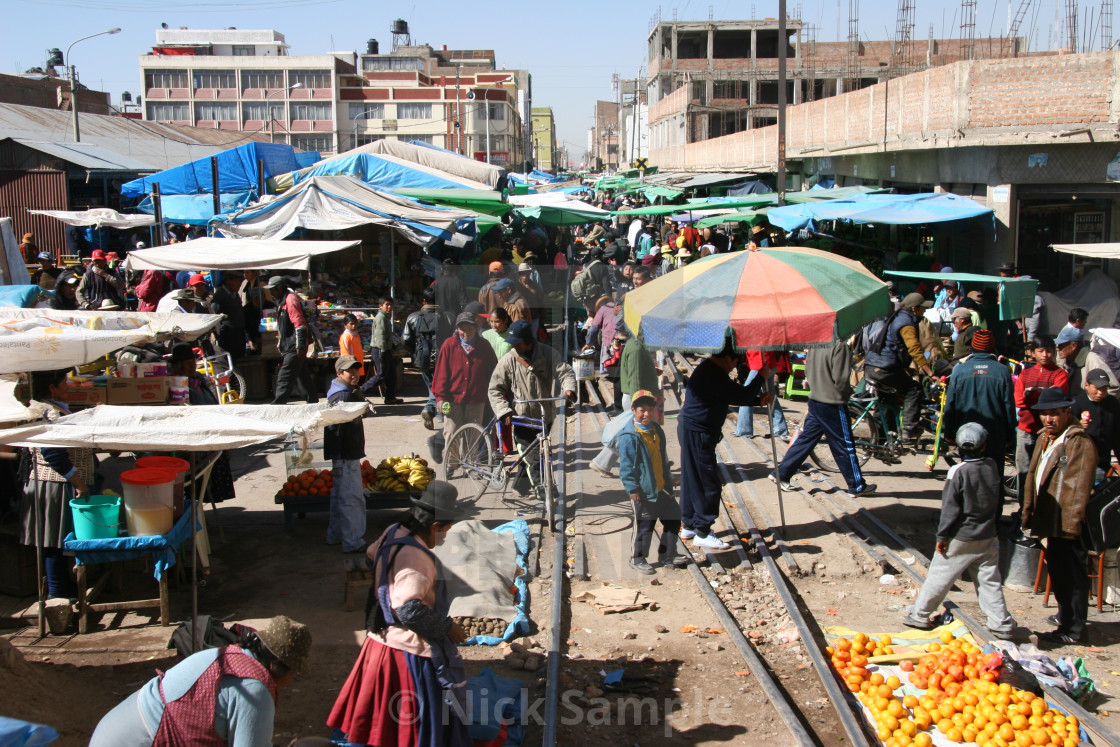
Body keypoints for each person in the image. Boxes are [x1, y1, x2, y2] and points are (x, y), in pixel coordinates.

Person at [328, 483, 471, 747]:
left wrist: (387, 578)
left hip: (377, 640)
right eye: (445, 531)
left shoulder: (393, 531)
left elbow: (372, 555)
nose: (444, 537)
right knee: (414, 720)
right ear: (436, 525)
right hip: (405, 653)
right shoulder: (416, 559)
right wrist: (446, 627)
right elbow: (410, 611)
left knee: (379, 721)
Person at [90, 616, 310, 746]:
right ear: (276, 666)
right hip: (139, 739)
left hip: (114, 728)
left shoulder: (230, 655)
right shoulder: (254, 690)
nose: (291, 681)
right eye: (293, 674)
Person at [903, 423, 1016, 640]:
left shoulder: (958, 472)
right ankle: (1001, 622)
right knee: (989, 581)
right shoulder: (992, 466)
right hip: (987, 536)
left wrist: (942, 536)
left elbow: (950, 508)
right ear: (984, 446)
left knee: (939, 576)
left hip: (961, 537)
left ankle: (920, 614)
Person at [678, 339, 771, 549]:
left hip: (692, 429)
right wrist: (761, 378)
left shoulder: (710, 370)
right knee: (707, 482)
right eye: (736, 361)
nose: (735, 366)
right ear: (728, 357)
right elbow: (741, 394)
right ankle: (703, 530)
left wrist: (758, 401)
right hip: (698, 432)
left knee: (692, 478)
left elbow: (730, 395)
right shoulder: (711, 373)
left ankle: (690, 524)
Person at [1022, 387, 1098, 645]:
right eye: (1045, 414)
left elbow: (1078, 488)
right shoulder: (1046, 437)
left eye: (1055, 413)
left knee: (1072, 577)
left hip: (1066, 522)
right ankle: (1066, 620)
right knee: (1061, 575)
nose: (1049, 419)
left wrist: (1071, 525)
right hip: (1051, 520)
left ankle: (1073, 630)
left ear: (1067, 412)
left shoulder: (1079, 442)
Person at [20, 369, 94, 599]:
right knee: (54, 541)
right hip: (52, 483)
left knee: (59, 540)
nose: (70, 385)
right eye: (65, 382)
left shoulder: (52, 408)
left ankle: (63, 589)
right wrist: (78, 481)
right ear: (52, 388)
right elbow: (52, 453)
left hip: (57, 482)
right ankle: (57, 595)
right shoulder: (48, 412)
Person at [773, 339, 875, 497]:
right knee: (844, 444)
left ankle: (782, 474)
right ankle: (856, 485)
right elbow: (841, 379)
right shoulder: (839, 346)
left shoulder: (815, 342)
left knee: (806, 439)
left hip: (815, 399)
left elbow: (808, 370)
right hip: (832, 402)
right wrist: (847, 394)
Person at [488, 321, 576, 499]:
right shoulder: (509, 360)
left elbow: (565, 372)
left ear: (529, 340)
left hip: (545, 416)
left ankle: (519, 486)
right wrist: (504, 411)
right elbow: (494, 389)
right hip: (521, 417)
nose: (514, 345)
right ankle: (543, 490)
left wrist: (569, 390)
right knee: (534, 457)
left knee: (531, 454)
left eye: (518, 342)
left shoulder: (548, 353)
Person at [617, 389, 689, 574]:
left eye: (650, 410)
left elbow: (662, 458)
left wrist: (668, 478)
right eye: (642, 410)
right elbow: (626, 466)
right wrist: (632, 488)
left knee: (673, 520)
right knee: (645, 527)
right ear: (633, 410)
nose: (647, 414)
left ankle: (667, 555)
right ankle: (637, 558)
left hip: (662, 488)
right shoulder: (629, 436)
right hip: (644, 491)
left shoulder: (657, 430)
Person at [863, 292, 934, 448]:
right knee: (914, 389)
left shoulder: (898, 316)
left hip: (874, 366)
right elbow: (914, 348)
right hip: (884, 368)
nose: (925, 312)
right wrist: (929, 372)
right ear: (915, 309)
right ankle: (909, 430)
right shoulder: (906, 323)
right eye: (923, 309)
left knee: (888, 400)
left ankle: (882, 442)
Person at [325, 356, 379, 553]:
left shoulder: (344, 392)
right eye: (350, 371)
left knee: (340, 496)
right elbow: (335, 429)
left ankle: (336, 535)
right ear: (339, 373)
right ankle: (353, 542)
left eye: (357, 369)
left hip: (344, 454)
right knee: (352, 499)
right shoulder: (343, 396)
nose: (355, 374)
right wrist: (338, 459)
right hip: (345, 455)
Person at [429, 312, 499, 464]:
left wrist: (494, 394)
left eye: (469, 328)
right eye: (462, 328)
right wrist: (440, 397)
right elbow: (441, 373)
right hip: (453, 399)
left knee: (472, 434)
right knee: (451, 432)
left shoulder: (484, 346)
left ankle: (470, 464)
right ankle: (451, 464)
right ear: (457, 329)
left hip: (476, 399)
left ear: (476, 329)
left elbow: (493, 372)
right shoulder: (449, 345)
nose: (466, 332)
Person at [942, 329, 1017, 465]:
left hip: (966, 434)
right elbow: (1009, 406)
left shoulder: (959, 370)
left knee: (969, 474)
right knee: (994, 477)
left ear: (972, 348)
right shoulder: (1003, 371)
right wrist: (1010, 435)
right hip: (995, 435)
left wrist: (949, 433)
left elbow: (950, 405)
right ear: (993, 349)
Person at [1014, 335, 1069, 508]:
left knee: (1047, 472)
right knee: (1024, 471)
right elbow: (1019, 401)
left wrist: (1033, 395)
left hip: (1050, 431)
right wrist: (1044, 394)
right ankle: (1024, 508)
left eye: (1049, 351)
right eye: (1041, 351)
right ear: (1033, 353)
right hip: (1026, 428)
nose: (1045, 355)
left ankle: (1044, 509)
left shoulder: (1060, 374)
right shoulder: (1025, 373)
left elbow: (1058, 397)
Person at [402, 288, 449, 428]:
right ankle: (435, 410)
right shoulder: (447, 317)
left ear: (423, 301)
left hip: (423, 358)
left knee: (431, 385)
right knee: (441, 386)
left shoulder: (413, 317)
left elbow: (405, 340)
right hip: (443, 359)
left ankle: (430, 409)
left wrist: (414, 353)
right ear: (439, 300)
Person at [268, 276, 316, 405]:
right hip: (291, 343)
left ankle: (278, 404)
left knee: (285, 375)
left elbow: (299, 324)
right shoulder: (282, 301)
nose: (271, 293)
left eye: (273, 289)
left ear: (280, 288)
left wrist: (300, 345)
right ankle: (312, 401)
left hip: (294, 345)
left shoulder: (290, 300)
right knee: (302, 375)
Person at [1072, 368, 1120, 478]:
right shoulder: (1077, 403)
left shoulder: (1112, 403)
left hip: (1103, 460)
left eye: (1104, 389)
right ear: (1086, 385)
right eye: (1097, 388)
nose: (1100, 393)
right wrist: (1078, 426)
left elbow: (1116, 434)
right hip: (1080, 460)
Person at [732, 351, 788, 442]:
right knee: (771, 396)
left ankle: (744, 429)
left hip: (760, 364)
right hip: (768, 362)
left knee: (746, 395)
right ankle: (780, 428)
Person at [368, 297, 402, 405]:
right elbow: (380, 336)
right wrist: (382, 352)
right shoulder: (380, 318)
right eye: (387, 304)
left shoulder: (385, 317)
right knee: (381, 375)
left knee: (391, 375)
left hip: (385, 349)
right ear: (380, 306)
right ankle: (361, 391)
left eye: (391, 305)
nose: (389, 307)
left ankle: (390, 398)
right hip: (380, 349)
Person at [210, 271, 247, 361]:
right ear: (228, 281)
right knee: (231, 360)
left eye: (240, 281)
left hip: (239, 333)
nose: (239, 283)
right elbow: (214, 314)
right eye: (237, 280)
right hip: (228, 335)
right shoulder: (220, 295)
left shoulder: (235, 294)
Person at [432, 257, 468, 329]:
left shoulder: (436, 283)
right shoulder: (458, 282)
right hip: (456, 319)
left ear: (442, 269)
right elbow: (464, 302)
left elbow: (431, 301)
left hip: (440, 320)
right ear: (454, 270)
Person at [1056, 326, 1088, 393]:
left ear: (1073, 346)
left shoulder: (1091, 360)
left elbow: (1111, 387)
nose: (1058, 348)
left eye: (1061, 345)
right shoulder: (1067, 363)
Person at [337, 313, 365, 377]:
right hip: (351, 367)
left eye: (355, 323)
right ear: (345, 325)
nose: (354, 326)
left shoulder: (356, 335)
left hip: (358, 365)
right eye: (351, 324)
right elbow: (345, 354)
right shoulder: (345, 337)